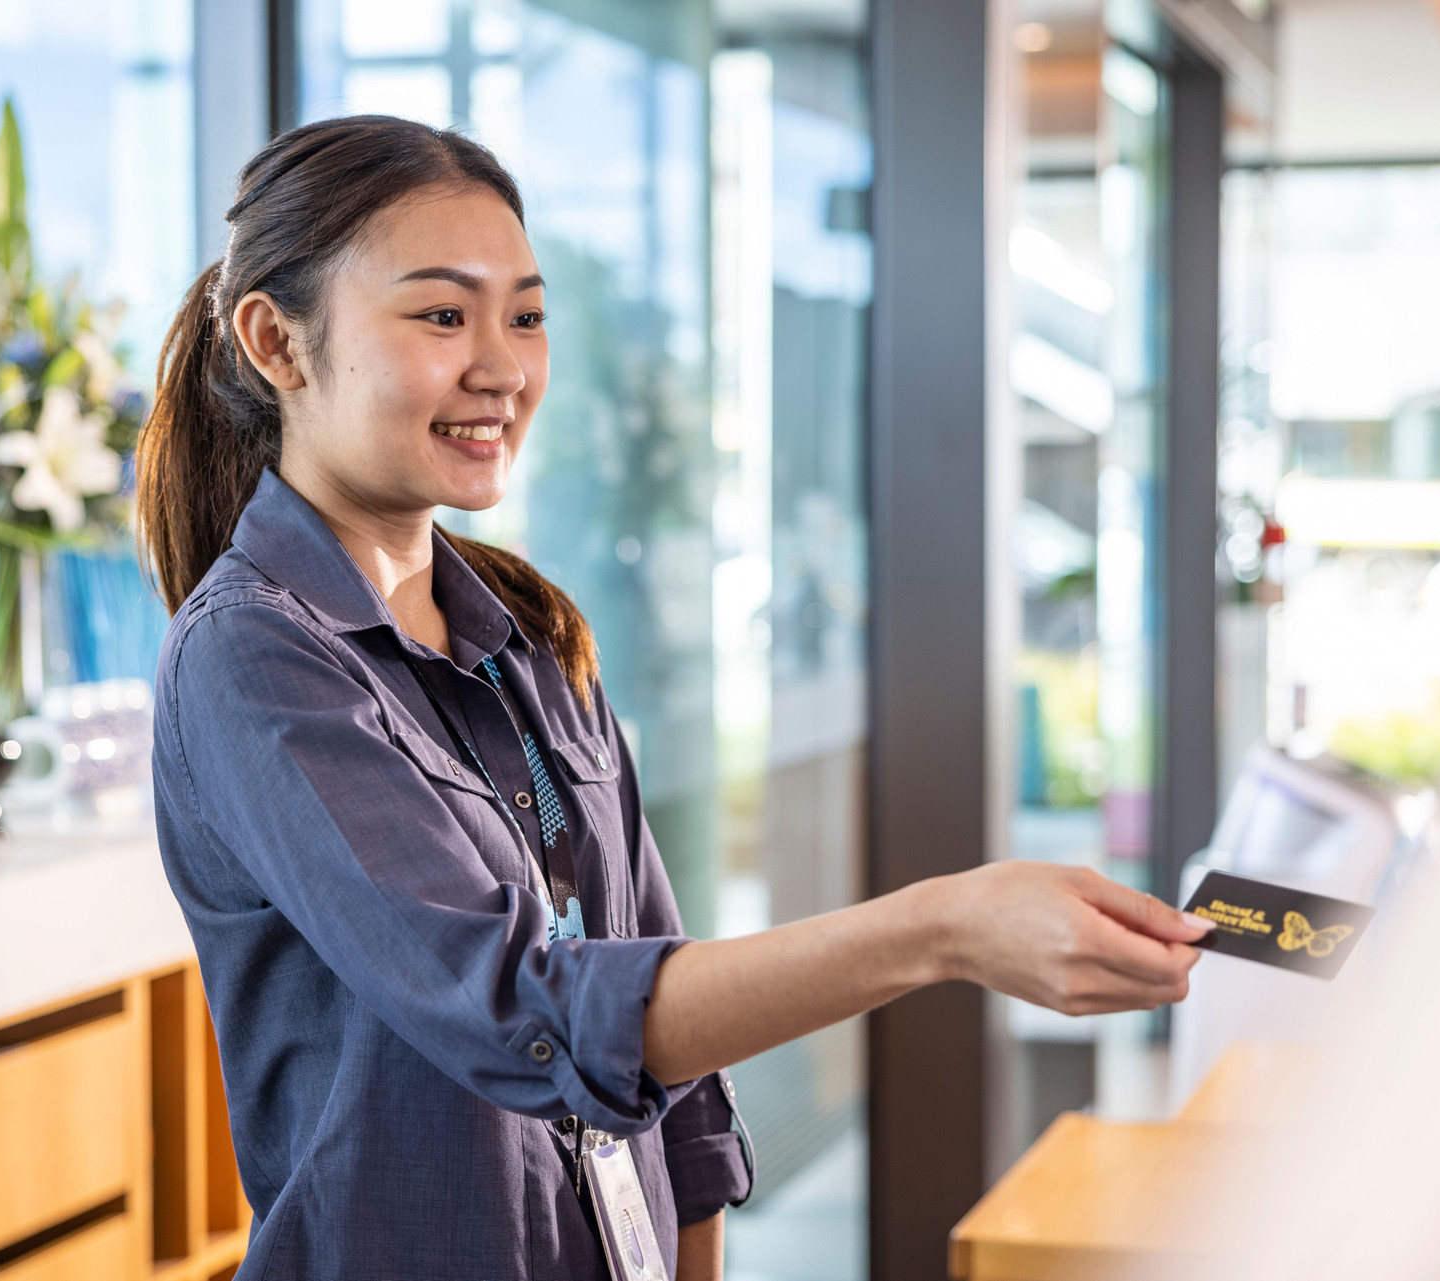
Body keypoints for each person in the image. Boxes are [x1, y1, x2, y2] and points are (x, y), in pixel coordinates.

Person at [138, 113, 1209, 1281]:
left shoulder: (528, 634)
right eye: (443, 315)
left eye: (527, 316)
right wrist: (941, 929)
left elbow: (667, 1050)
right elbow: (521, 1011)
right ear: (276, 345)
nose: (501, 366)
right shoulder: (253, 656)